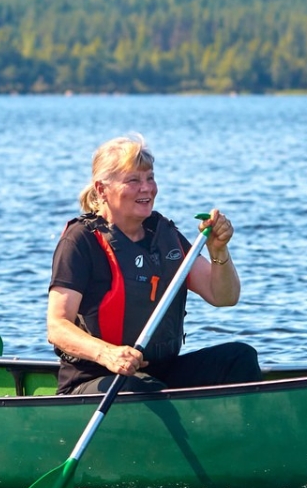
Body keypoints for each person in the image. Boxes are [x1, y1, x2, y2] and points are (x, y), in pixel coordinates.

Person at [47, 134, 261, 395]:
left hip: (160, 372)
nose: (147, 188)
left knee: (240, 357)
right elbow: (57, 327)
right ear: (102, 189)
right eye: (133, 180)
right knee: (142, 387)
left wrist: (219, 250)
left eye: (150, 178)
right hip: (97, 378)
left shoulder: (164, 235)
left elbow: (224, 296)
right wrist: (108, 354)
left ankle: (241, 431)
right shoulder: (80, 241)